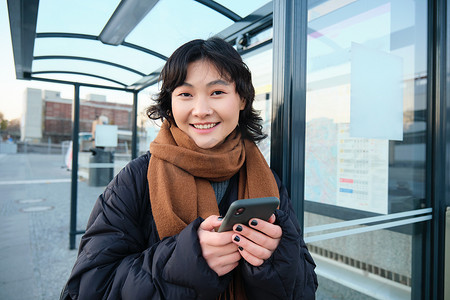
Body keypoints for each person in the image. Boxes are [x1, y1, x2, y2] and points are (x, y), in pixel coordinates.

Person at [60, 37, 318, 299]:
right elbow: (87, 288)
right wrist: (187, 263)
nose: (201, 110)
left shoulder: (269, 181)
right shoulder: (136, 179)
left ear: (241, 99)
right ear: (170, 104)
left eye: (217, 92)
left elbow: (305, 287)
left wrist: (274, 259)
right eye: (185, 94)